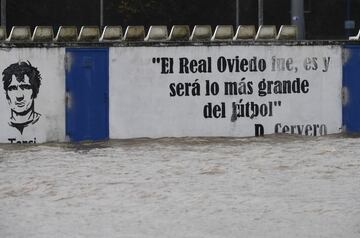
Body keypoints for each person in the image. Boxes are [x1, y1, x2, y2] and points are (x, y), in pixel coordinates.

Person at [2, 61, 42, 134]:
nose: (19, 96)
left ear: (35, 91)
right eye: (13, 88)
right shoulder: (2, 126)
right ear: (6, 94)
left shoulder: (44, 123)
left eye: (25, 87)